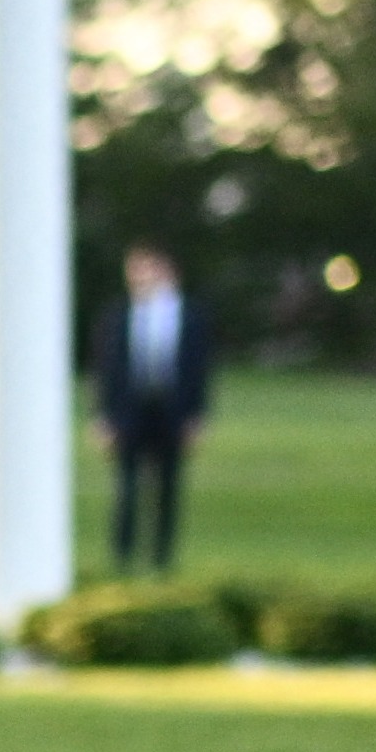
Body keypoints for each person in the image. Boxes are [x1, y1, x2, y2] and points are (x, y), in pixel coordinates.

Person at [99, 238, 213, 572]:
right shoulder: (119, 315)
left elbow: (199, 370)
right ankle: (122, 558)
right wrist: (104, 417)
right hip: (130, 412)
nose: (137, 275)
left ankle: (162, 559)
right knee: (126, 488)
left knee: (167, 489)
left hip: (171, 411)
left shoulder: (190, 316)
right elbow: (107, 370)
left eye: (144, 266)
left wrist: (196, 417)